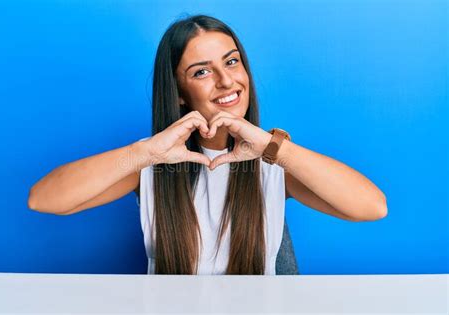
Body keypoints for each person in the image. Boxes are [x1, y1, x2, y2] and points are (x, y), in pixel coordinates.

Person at [28, 14, 387, 275]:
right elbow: (44, 199)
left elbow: (372, 207)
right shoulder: (151, 161)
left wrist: (272, 147)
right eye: (201, 71)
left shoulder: (273, 161)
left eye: (232, 62)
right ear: (180, 94)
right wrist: (147, 151)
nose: (226, 80)